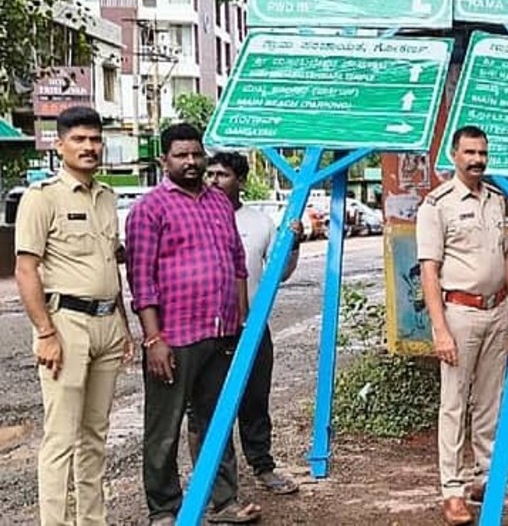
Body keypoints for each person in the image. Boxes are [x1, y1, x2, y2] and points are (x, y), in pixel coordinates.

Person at [125, 123, 261, 525]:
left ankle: (224, 501)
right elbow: (141, 280)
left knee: (216, 420)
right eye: (181, 155)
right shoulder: (149, 209)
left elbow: (237, 264)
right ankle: (164, 508)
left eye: (196, 154)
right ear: (163, 160)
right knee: (164, 428)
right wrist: (154, 339)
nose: (191, 161)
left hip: (220, 332)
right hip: (174, 337)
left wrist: (240, 320)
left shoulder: (219, 203)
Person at [15, 106, 133, 526]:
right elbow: (25, 269)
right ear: (59, 143)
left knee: (95, 436)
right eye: (79, 139)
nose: (89, 147)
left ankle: (92, 520)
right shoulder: (42, 197)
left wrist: (123, 325)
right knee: (61, 438)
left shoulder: (107, 197)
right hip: (65, 325)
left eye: (95, 139)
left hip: (106, 325)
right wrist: (45, 333)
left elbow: (109, 266)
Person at [417, 125, 508, 526]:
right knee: (454, 404)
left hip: (496, 312)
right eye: (470, 152)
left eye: (482, 153)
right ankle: (452, 491)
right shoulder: (437, 204)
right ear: (454, 154)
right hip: (458, 314)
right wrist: (440, 329)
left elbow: (506, 256)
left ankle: (486, 480)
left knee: (490, 401)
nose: (477, 160)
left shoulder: (496, 200)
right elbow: (429, 271)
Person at [200, 151, 303, 495]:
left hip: (252, 327)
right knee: (209, 404)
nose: (214, 181)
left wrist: (293, 244)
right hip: (207, 329)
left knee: (255, 399)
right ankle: (215, 481)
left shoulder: (259, 223)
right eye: (210, 174)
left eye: (223, 175)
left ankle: (262, 465)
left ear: (241, 181)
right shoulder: (196, 216)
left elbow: (280, 273)